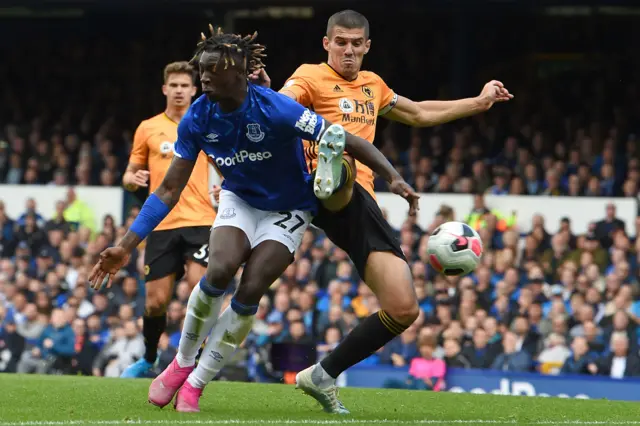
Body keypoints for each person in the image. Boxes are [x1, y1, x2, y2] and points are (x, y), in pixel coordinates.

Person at [89, 26, 417, 413]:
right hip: (240, 198)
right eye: (202, 69)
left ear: (240, 71)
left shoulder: (275, 108)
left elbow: (349, 140)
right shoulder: (197, 116)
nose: (204, 77)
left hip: (291, 207)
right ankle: (181, 362)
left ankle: (196, 383)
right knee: (220, 270)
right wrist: (126, 246)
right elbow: (166, 191)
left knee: (251, 289)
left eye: (213, 69)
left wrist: (393, 177)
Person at [253, 9, 512, 413]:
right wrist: (267, 94)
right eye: (341, 42)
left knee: (403, 306)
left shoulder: (373, 86)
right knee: (340, 165)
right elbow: (281, 108)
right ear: (327, 44)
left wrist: (479, 102)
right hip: (320, 188)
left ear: (368, 47)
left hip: (358, 203)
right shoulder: (309, 76)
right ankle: (332, 166)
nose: (348, 51)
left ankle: (322, 375)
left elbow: (419, 113)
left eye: (357, 44)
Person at [118, 62, 219, 378]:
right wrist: (133, 179)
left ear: (194, 90)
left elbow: (228, 162)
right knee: (155, 304)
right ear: (165, 89)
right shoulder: (147, 128)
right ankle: (149, 358)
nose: (178, 90)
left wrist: (225, 186)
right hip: (161, 223)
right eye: (173, 85)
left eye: (184, 85)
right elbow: (128, 176)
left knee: (198, 292)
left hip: (201, 219)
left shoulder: (205, 123)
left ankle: (189, 363)